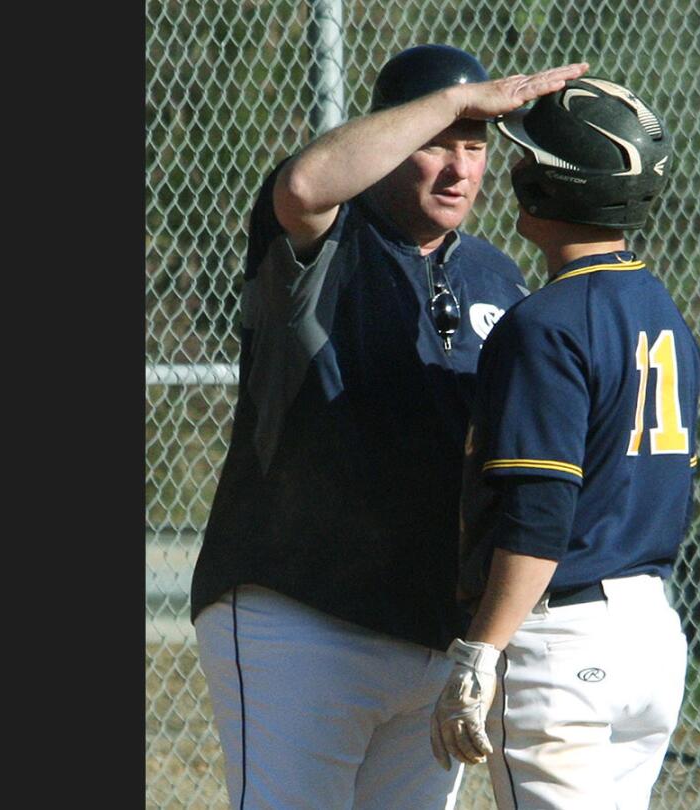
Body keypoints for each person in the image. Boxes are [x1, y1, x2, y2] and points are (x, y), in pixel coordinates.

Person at [188, 44, 588, 810]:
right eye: (441, 142)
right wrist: (457, 102)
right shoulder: (323, 238)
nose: (460, 169)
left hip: (437, 636)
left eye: (476, 147)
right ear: (397, 133)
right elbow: (304, 184)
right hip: (301, 615)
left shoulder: (498, 276)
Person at [430, 76, 700, 810]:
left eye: (530, 159)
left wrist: (482, 648)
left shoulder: (545, 322)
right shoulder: (664, 313)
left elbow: (541, 511)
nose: (515, 170)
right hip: (650, 633)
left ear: (553, 187)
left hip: (561, 641)